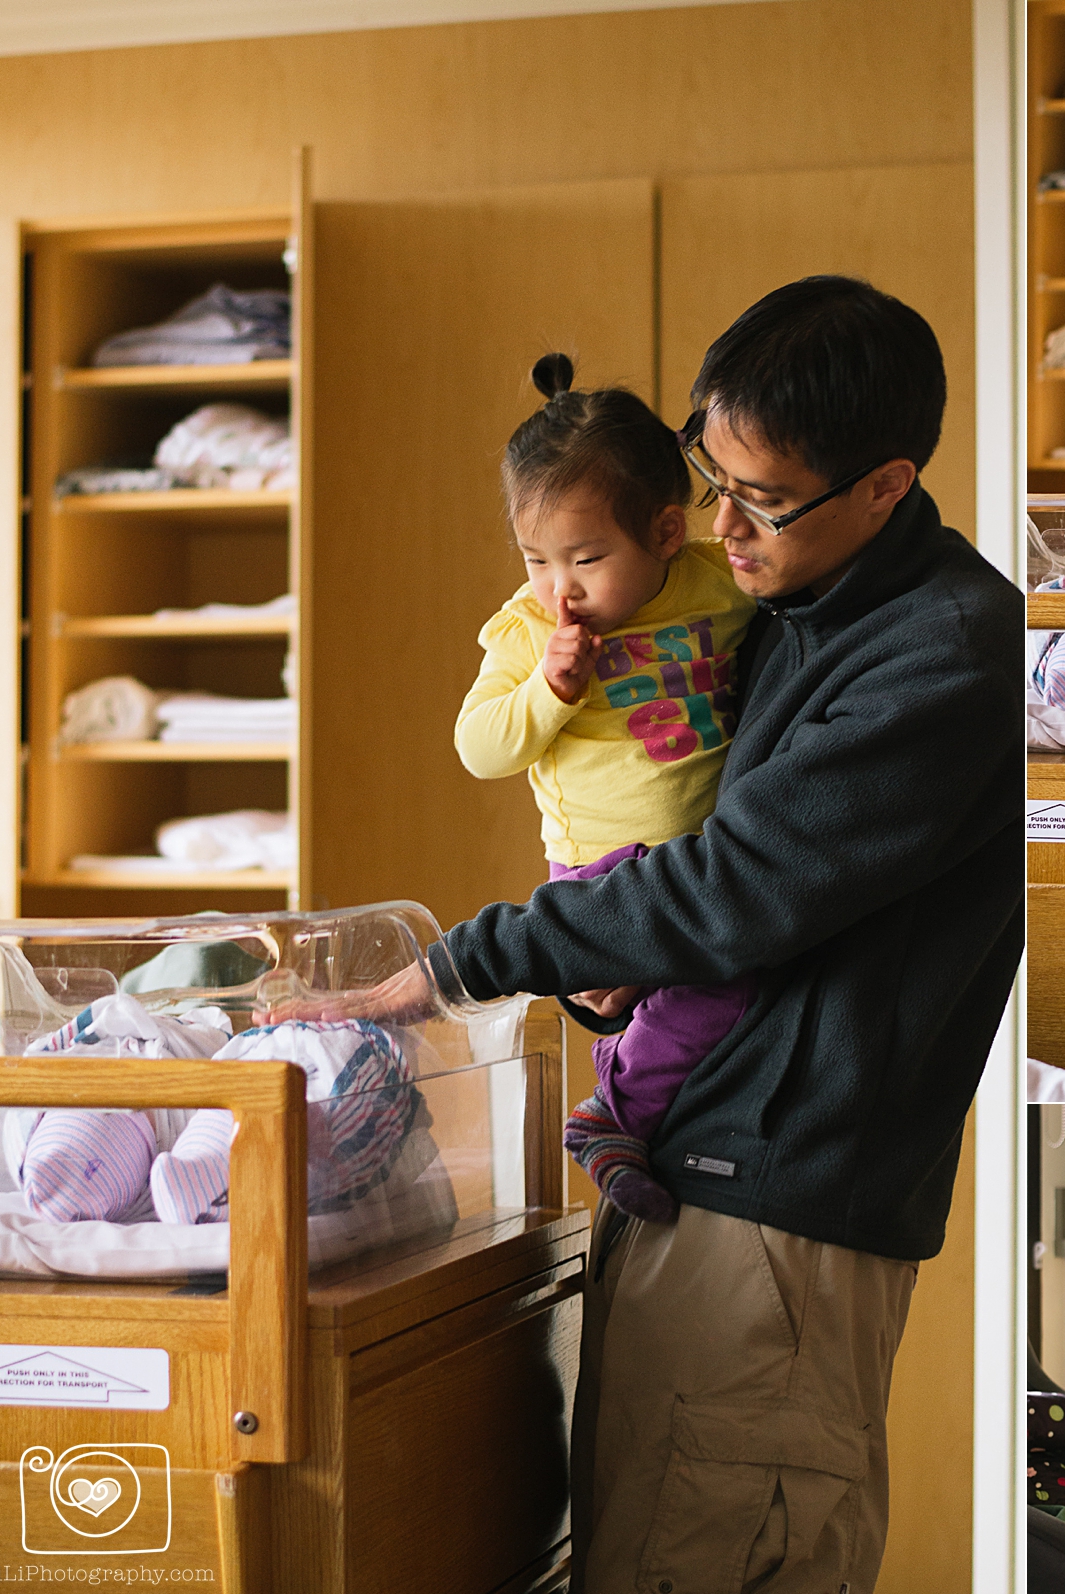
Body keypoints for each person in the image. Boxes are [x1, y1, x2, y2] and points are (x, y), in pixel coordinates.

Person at [283, 276, 1023, 1592]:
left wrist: (461, 963)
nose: (719, 526)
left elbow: (732, 888)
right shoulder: (797, 606)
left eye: (763, 498)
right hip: (710, 1178)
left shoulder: (944, 651)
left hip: (778, 1217)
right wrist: (604, 976)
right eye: (709, 473)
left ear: (882, 486)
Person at [453, 354, 755, 1224]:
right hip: (598, 873)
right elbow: (480, 748)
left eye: (585, 558)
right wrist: (548, 692)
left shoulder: (713, 585)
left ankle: (618, 1115)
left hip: (699, 867)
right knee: (704, 988)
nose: (559, 588)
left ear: (665, 534)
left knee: (725, 990)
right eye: (536, 559)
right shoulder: (525, 632)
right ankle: (614, 1116)